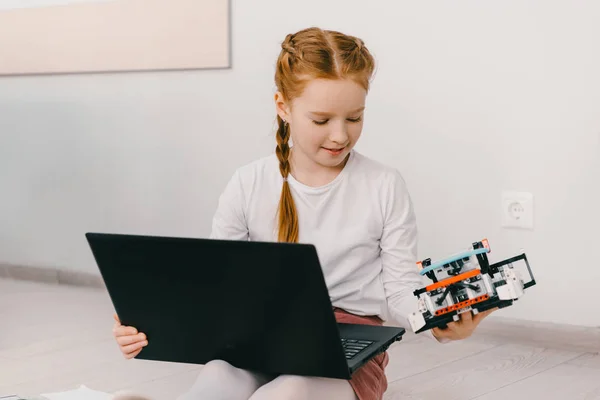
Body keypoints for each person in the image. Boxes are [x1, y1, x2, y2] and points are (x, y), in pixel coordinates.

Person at [112, 26, 496, 400]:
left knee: (289, 392)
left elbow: (399, 286)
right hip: (261, 334)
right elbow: (219, 287)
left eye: (354, 117)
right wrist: (151, 324)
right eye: (321, 120)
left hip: (348, 340)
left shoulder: (384, 184)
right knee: (219, 378)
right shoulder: (248, 183)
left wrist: (436, 323)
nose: (340, 136)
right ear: (283, 107)